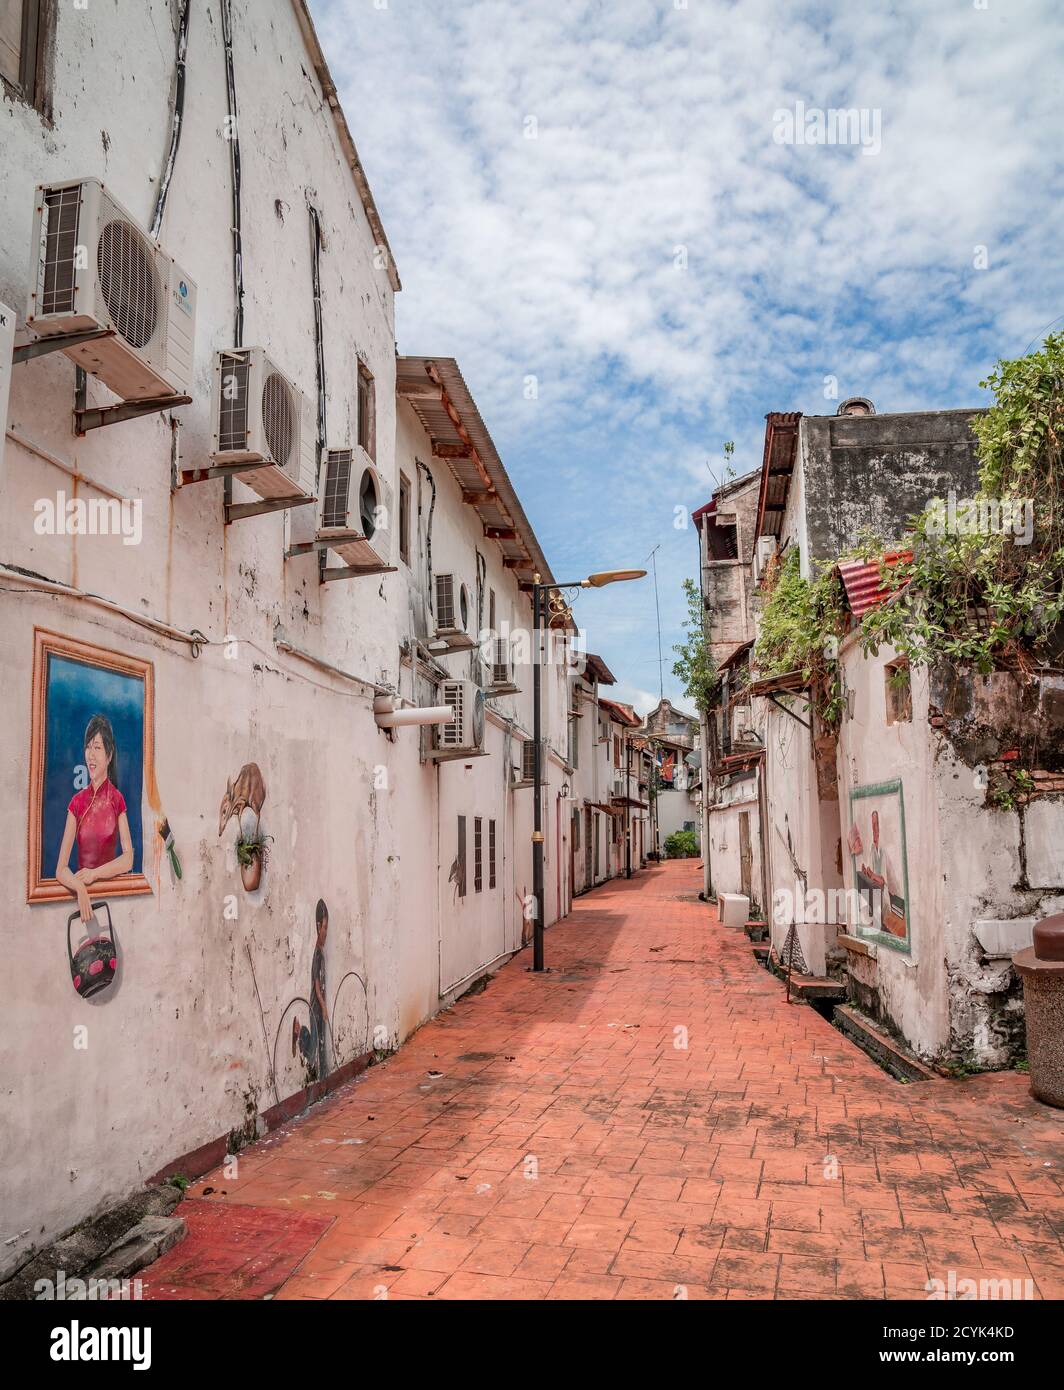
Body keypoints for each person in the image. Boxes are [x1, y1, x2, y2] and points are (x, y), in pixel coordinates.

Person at [55, 714, 134, 923]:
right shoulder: (77, 802)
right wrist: (79, 886)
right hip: (83, 906)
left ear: (109, 755)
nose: (91, 755)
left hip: (114, 903)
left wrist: (94, 874)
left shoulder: (117, 800)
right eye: (88, 747)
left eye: (97, 747)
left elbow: (128, 859)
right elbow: (61, 869)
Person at [293, 900, 329, 1080]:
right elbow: (316, 984)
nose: (325, 933)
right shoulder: (317, 954)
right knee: (314, 1047)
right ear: (317, 926)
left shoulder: (321, 952)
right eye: (324, 928)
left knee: (321, 1044)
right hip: (315, 1007)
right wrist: (323, 1006)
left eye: (326, 929)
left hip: (319, 1006)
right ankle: (299, 1031)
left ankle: (323, 1076)